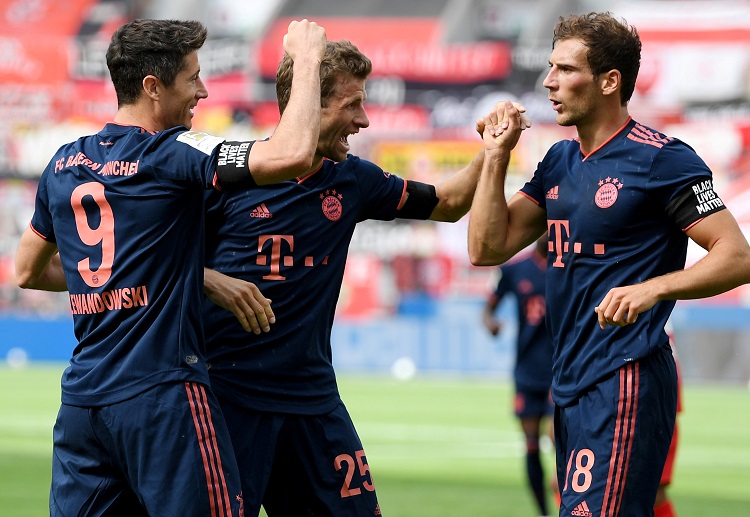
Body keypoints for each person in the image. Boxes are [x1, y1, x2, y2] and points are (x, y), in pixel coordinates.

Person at [201, 40, 530, 516]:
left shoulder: (351, 179)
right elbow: (151, 255)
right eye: (351, 104)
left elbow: (447, 202)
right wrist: (210, 279)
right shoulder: (227, 171)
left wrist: (491, 150)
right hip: (228, 398)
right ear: (308, 104)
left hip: (313, 399)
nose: (364, 120)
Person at [14, 18, 327, 516]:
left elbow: (27, 271)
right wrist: (308, 59)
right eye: (193, 78)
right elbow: (291, 155)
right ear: (153, 87)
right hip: (162, 401)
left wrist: (183, 275)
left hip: (83, 406)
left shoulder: (64, 163)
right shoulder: (172, 151)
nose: (203, 91)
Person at [467, 11, 750, 515]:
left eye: (565, 69)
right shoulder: (559, 160)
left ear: (609, 81)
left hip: (626, 378)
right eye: (551, 67)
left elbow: (737, 255)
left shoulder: (662, 159)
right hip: (569, 381)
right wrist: (495, 157)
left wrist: (654, 288)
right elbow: (487, 248)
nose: (549, 81)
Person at [482, 235, 555, 516]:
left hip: (560, 370)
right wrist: (491, 323)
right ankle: (544, 512)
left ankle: (569, 506)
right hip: (527, 371)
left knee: (559, 440)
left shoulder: (569, 267)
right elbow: (488, 310)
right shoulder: (514, 270)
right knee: (531, 447)